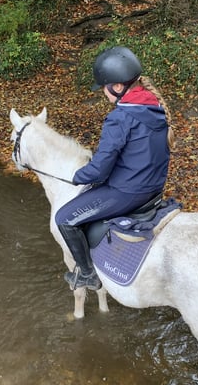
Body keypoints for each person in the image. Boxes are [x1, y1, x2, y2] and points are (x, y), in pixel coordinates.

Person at [55, 46, 173, 291]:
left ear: (117, 87)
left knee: (64, 218)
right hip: (154, 188)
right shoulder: (154, 107)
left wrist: (77, 176)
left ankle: (87, 274)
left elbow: (99, 170)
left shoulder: (120, 118)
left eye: (105, 89)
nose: (104, 95)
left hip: (129, 191)